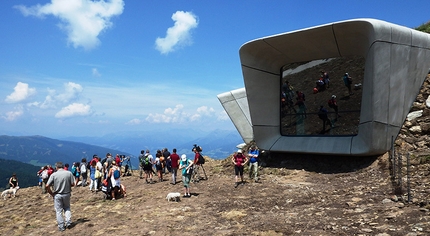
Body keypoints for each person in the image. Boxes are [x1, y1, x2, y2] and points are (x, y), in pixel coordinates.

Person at [45, 162, 75, 232]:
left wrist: (51, 193)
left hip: (57, 194)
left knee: (59, 211)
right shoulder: (69, 173)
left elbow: (47, 185)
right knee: (67, 208)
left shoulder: (54, 175)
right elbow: (73, 184)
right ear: (63, 166)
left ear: (56, 167)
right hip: (67, 193)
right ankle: (68, 222)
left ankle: (61, 226)